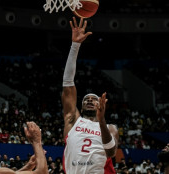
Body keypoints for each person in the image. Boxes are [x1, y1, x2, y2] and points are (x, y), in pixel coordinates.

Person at [62, 17, 119, 174]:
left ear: (100, 104)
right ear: (81, 105)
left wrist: (101, 121)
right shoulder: (73, 120)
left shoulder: (110, 127)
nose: (89, 100)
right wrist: (75, 46)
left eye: (93, 99)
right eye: (86, 99)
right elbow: (67, 85)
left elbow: (111, 153)